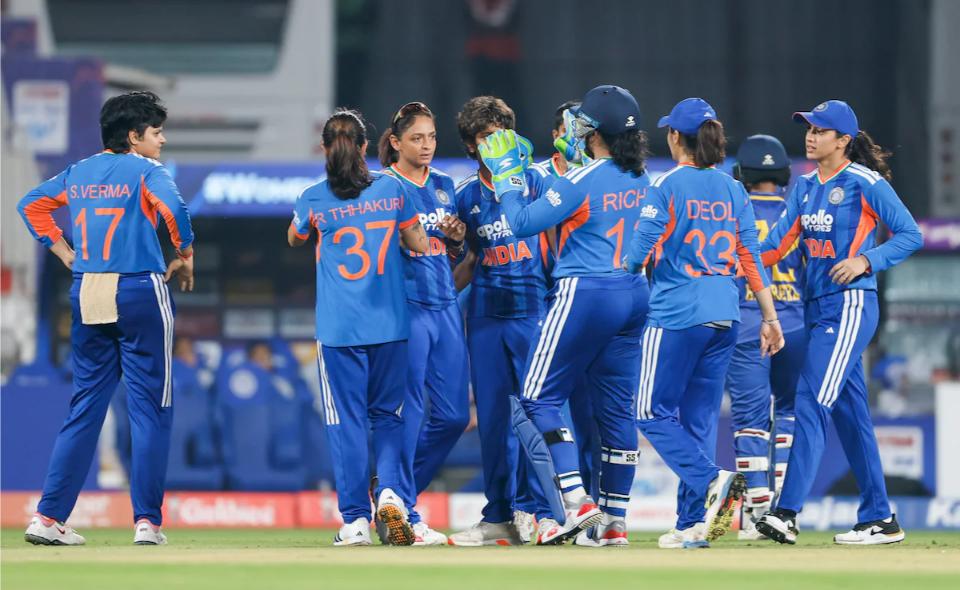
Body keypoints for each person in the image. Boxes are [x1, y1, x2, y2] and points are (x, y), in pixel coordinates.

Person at [17, 91, 195, 546]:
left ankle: (48, 518)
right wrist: (185, 252)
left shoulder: (78, 172)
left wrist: (64, 252)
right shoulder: (147, 170)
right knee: (150, 409)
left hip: (89, 288)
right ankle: (147, 523)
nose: (162, 140)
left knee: (85, 407)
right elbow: (175, 211)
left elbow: (31, 205)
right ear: (134, 136)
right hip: (139, 288)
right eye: (156, 132)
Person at [478, 85, 651, 546]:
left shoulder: (582, 179)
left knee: (536, 396)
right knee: (616, 412)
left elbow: (521, 223)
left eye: (582, 123)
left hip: (586, 290)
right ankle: (614, 523)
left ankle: (576, 501)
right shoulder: (640, 176)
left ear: (593, 130)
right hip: (634, 292)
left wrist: (506, 177)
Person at [756, 100, 923, 545]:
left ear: (843, 140)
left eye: (820, 130)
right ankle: (880, 518)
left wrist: (866, 261)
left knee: (810, 399)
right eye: (808, 129)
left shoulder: (865, 182)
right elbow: (775, 246)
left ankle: (786, 512)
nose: (810, 137)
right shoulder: (805, 185)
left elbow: (911, 234)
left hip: (849, 306)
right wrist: (727, 262)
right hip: (818, 308)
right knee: (852, 416)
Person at [624, 98, 785, 549]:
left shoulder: (667, 184)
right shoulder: (733, 188)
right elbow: (750, 257)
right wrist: (769, 317)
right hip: (726, 314)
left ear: (676, 136)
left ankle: (712, 480)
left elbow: (637, 253)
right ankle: (692, 523)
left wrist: (628, 273)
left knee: (649, 412)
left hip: (676, 313)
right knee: (698, 422)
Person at [288, 109, 429, 546]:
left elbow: (295, 237)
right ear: (366, 147)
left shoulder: (312, 197)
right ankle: (389, 492)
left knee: (346, 422)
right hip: (390, 325)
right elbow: (419, 243)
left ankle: (355, 522)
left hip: (339, 331)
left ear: (325, 148)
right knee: (388, 418)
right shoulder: (393, 189)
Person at [446, 96, 552, 546]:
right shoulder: (465, 195)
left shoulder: (536, 181)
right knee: (492, 421)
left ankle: (536, 510)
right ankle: (497, 516)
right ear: (471, 145)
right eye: (487, 137)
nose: (496, 144)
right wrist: (442, 293)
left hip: (535, 312)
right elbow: (466, 262)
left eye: (502, 134)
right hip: (487, 316)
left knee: (536, 413)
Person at [378, 101, 468, 546]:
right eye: (416, 138)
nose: (426, 145)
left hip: (446, 305)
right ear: (396, 142)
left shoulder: (446, 184)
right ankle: (404, 509)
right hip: (407, 307)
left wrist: (456, 240)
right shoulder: (383, 186)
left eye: (431, 136)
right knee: (409, 411)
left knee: (453, 416)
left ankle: (391, 495)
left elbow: (451, 252)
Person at [725, 134, 807, 540]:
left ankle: (758, 511)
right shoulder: (800, 213)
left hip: (747, 322)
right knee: (790, 413)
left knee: (750, 421)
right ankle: (784, 510)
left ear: (742, 173)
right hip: (797, 322)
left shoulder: (732, 210)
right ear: (785, 175)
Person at [533, 100, 604, 544]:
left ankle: (594, 515)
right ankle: (549, 511)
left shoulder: (602, 178)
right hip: (547, 305)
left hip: (589, 306)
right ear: (556, 134)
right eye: (568, 130)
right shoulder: (538, 176)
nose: (574, 138)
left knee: (592, 418)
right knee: (543, 408)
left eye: (582, 131)